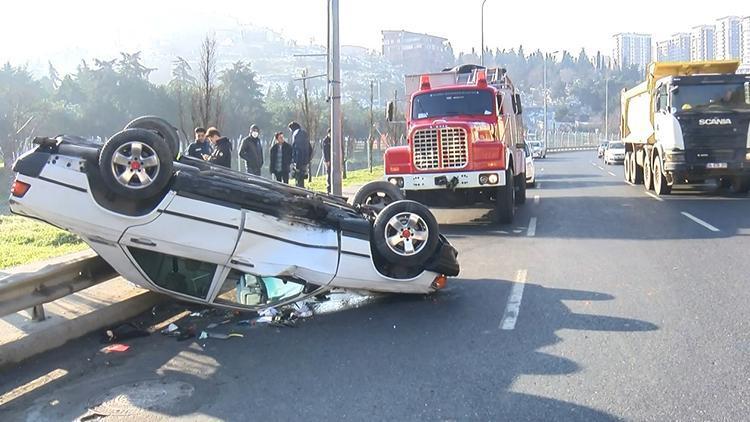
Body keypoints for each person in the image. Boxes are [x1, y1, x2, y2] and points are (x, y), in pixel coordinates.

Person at [289, 121, 312, 188]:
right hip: (305, 160)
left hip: (299, 161)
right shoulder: (304, 133)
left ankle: (299, 195)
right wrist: (307, 159)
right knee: (302, 179)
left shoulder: (296, 134)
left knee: (298, 179)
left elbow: (298, 149)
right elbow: (310, 148)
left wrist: (297, 164)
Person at [322, 128, 332, 193]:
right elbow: (325, 151)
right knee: (329, 173)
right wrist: (327, 160)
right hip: (328, 160)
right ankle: (329, 188)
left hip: (333, 159)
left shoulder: (333, 140)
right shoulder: (326, 141)